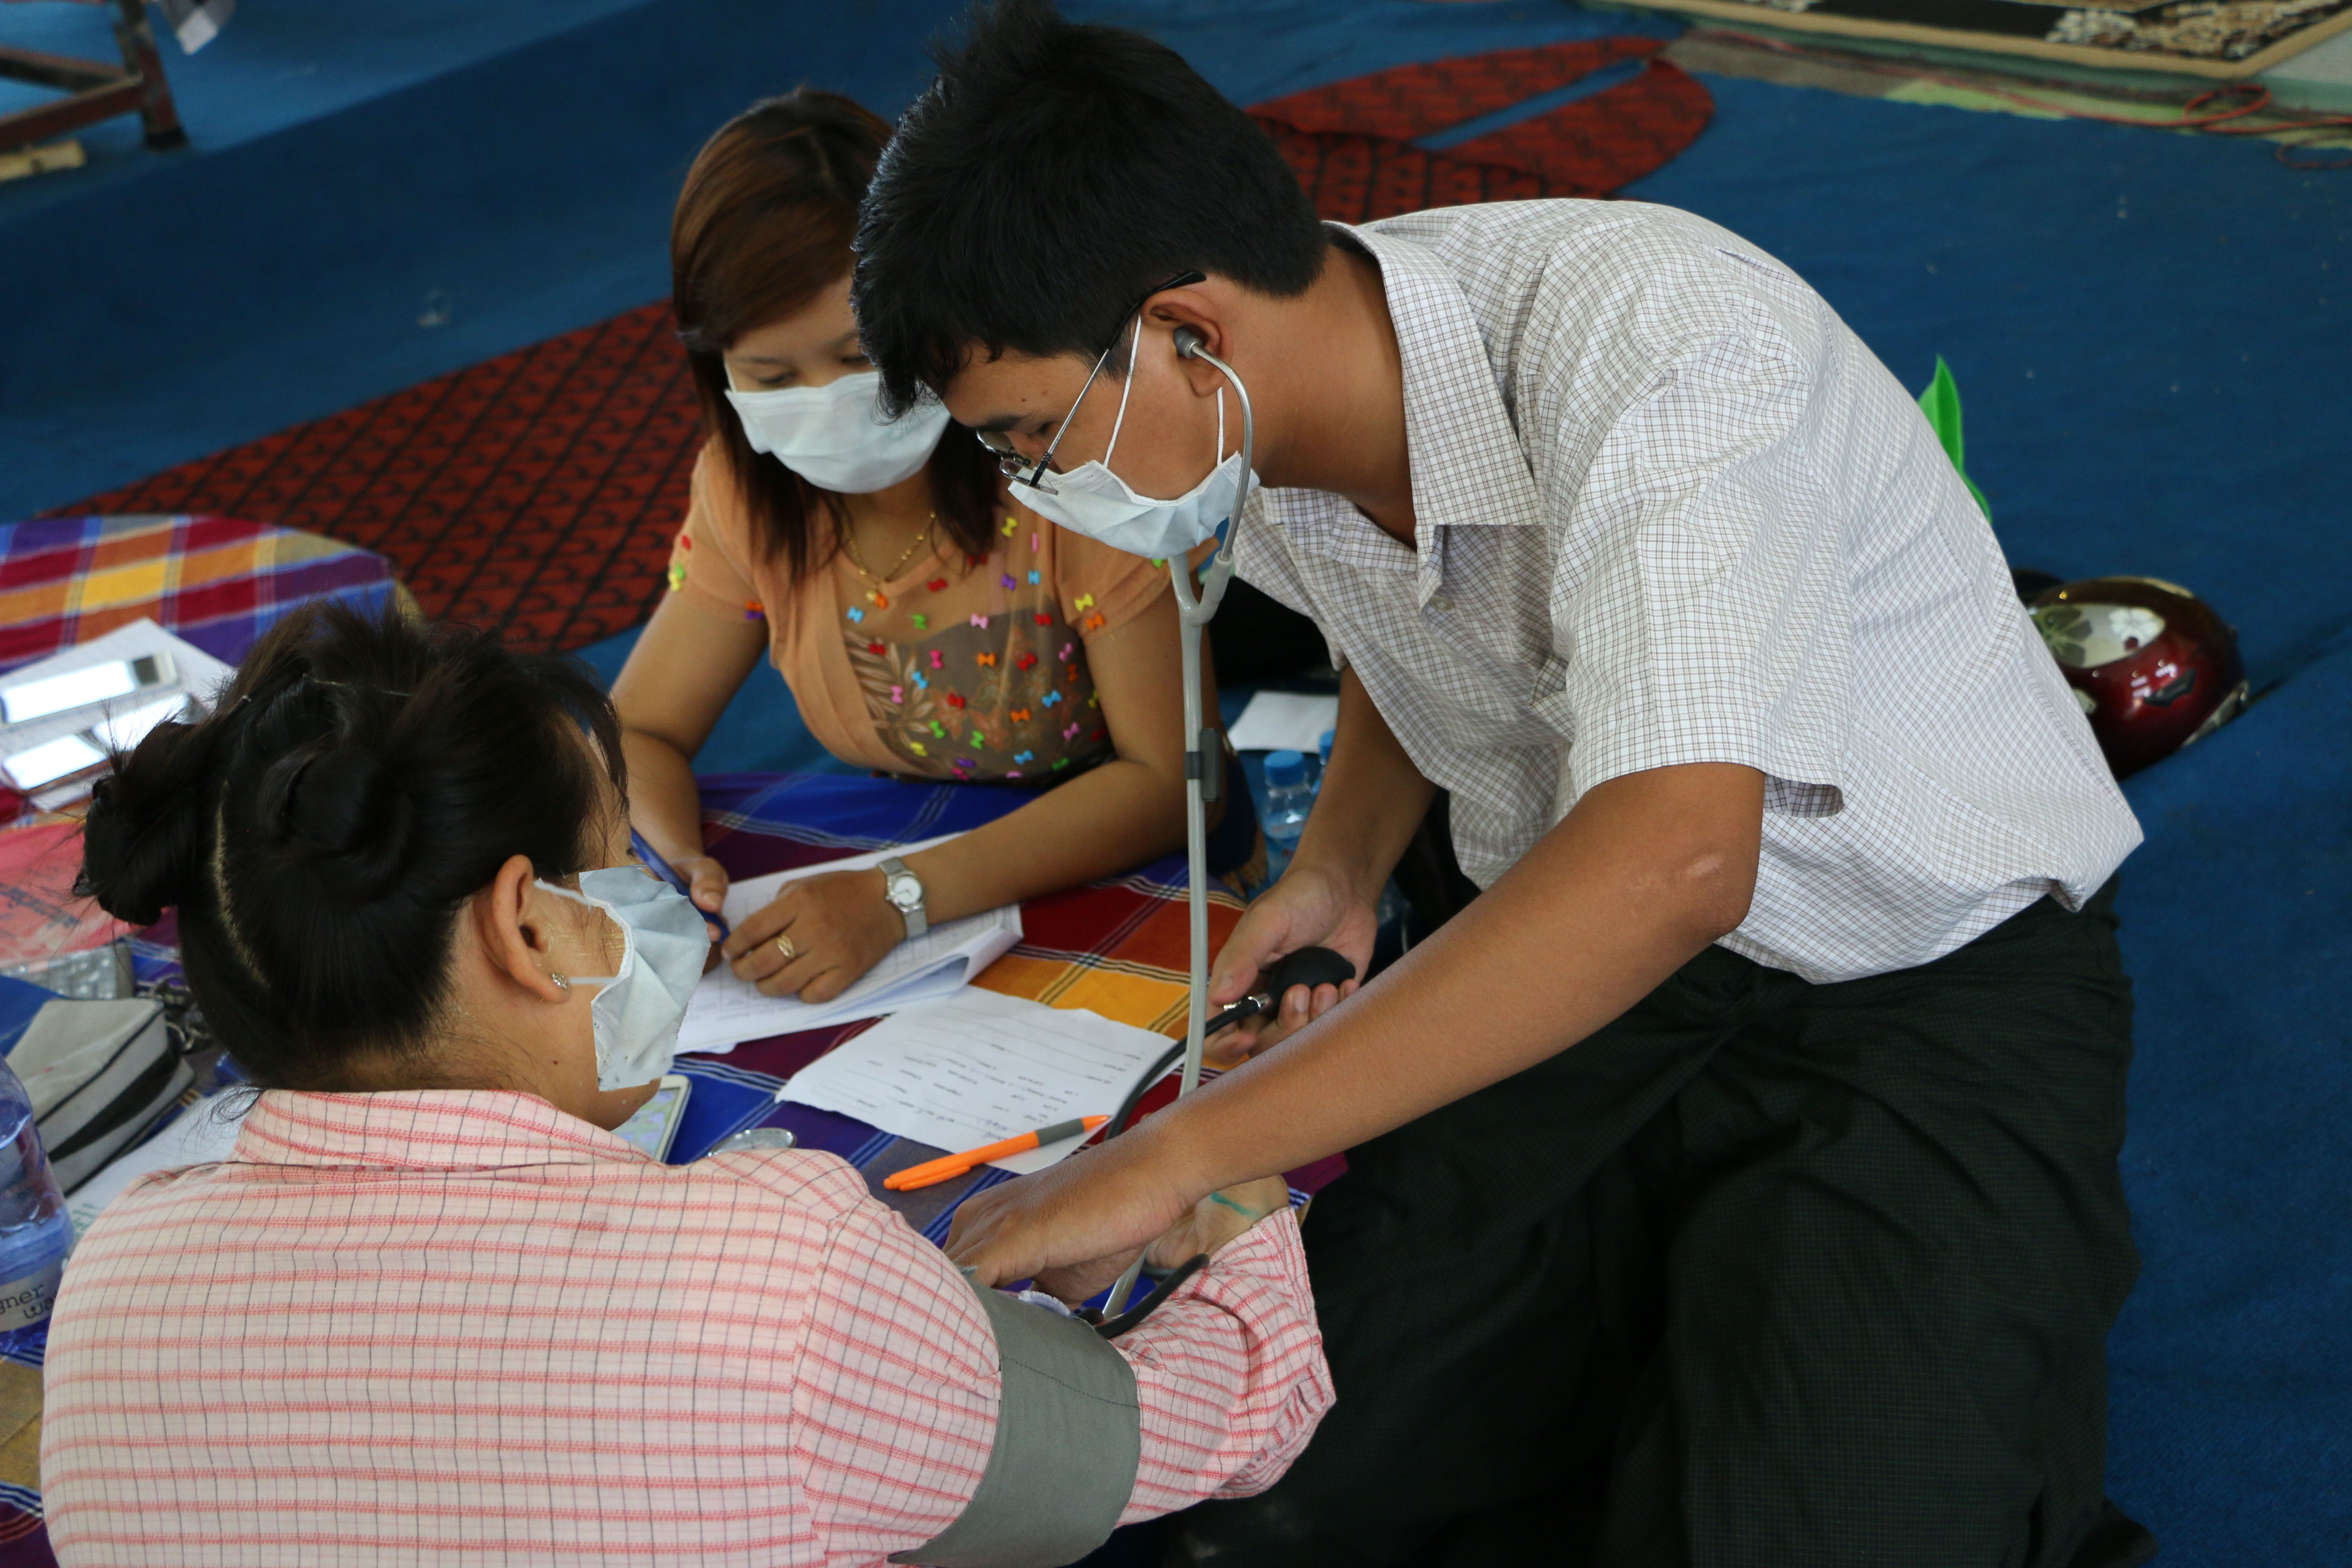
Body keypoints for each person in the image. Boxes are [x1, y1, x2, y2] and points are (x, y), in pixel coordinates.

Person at [851, 4, 2153, 1565]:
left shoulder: (1672, 355)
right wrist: (1335, 868)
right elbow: (1426, 624)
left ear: (1188, 331)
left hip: (1924, 977)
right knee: (1257, 1482)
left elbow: (1678, 861)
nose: (1033, 487)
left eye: (1027, 435)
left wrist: (1172, 1151)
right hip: (1600, 965)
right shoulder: (1264, 407)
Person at [40, 603, 1331, 1568]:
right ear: (527, 930)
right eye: (617, 864)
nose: (658, 913)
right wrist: (1229, 1185)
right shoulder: (776, 1272)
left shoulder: (113, 1277)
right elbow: (1186, 1435)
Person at [616, 89, 1254, 1009]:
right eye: (771, 377)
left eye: (860, 357)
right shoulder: (745, 490)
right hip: (909, 907)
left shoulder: (1064, 458)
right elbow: (638, 731)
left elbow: (1171, 785)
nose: (826, 399)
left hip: (1130, 879)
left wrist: (896, 899)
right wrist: (674, 862)